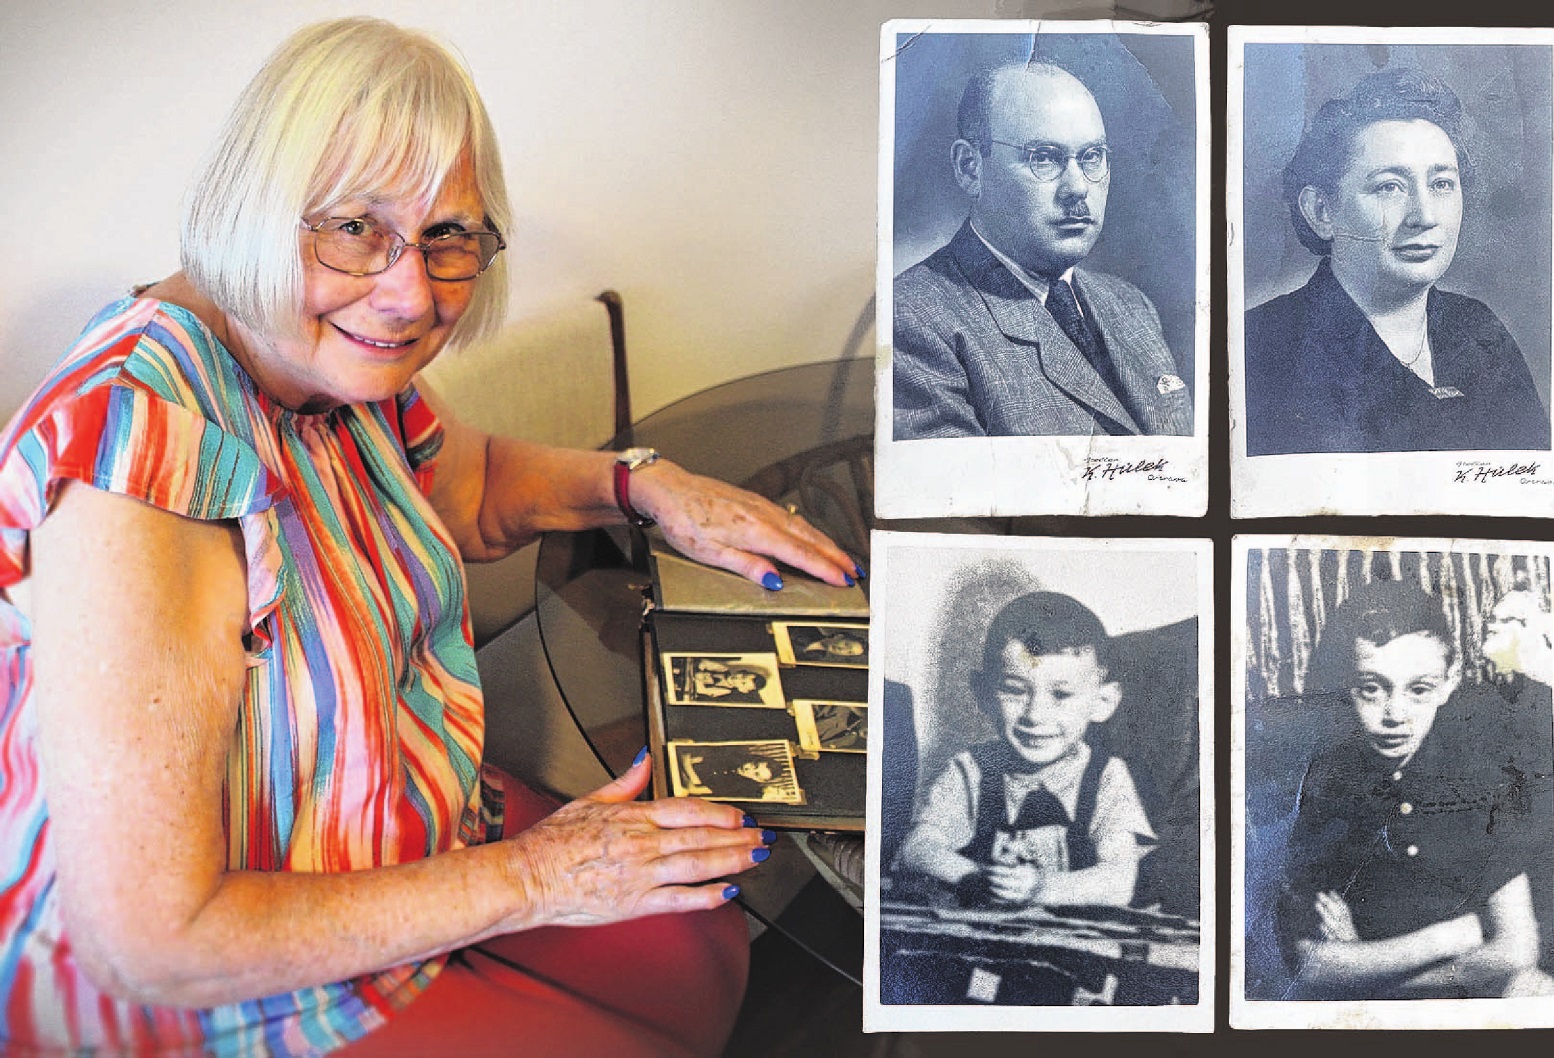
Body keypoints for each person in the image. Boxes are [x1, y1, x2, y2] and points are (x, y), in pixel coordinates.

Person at [0, 18, 861, 1058]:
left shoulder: (332, 363)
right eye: (354, 227)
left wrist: (651, 486)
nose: (410, 294)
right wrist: (542, 878)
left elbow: (480, 482)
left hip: (394, 819)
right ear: (250, 211)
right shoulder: (137, 467)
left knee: (702, 937)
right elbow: (153, 941)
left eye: (450, 234)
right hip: (215, 973)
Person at [1244, 66, 1550, 455]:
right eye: (1389, 187)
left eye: (1441, 184)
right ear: (1321, 211)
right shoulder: (1261, 346)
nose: (1424, 216)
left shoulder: (1480, 330)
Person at [1275, 579, 1554, 1000]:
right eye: (1371, 688)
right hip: (1373, 1016)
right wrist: (1453, 936)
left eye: (1419, 690)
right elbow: (1312, 968)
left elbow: (1517, 950)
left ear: (1449, 682)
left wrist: (1366, 966)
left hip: (1466, 1002)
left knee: (1534, 991)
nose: (1395, 714)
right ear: (1345, 683)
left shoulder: (1478, 778)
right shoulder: (1327, 786)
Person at [891, 59, 1192, 440]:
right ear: (970, 168)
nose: (1078, 188)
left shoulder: (1132, 306)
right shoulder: (914, 319)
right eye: (1045, 157)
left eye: (1092, 157)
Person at [893, 592, 1155, 912]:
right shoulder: (971, 769)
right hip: (985, 938)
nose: (1035, 715)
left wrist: (1040, 887)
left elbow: (1118, 881)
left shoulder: (1107, 776)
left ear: (1103, 702)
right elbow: (917, 849)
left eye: (1061, 694)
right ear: (984, 694)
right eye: (1015, 691)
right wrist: (975, 877)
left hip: (1075, 946)